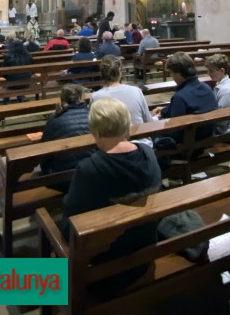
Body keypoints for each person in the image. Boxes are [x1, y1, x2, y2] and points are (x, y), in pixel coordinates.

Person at [62, 97, 161, 289]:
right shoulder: (149, 153)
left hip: (107, 262)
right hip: (146, 245)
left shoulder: (90, 168)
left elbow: (70, 222)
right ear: (127, 125)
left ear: (95, 131)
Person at [152, 52, 218, 143]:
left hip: (188, 145)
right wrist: (164, 111)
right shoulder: (207, 88)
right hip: (206, 138)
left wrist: (160, 125)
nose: (172, 77)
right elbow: (192, 105)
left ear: (178, 73)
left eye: (171, 73)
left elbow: (176, 131)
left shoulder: (180, 96)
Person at [91, 56, 153, 145]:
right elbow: (148, 122)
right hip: (141, 143)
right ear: (120, 72)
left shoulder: (96, 96)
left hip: (112, 147)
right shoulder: (136, 91)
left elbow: (95, 128)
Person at [40, 85, 92, 181]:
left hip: (62, 177)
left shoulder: (54, 118)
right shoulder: (93, 115)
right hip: (91, 172)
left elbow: (44, 149)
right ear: (81, 98)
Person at [2, 36, 33, 103]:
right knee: (18, 78)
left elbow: (4, 73)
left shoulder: (8, 56)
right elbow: (32, 70)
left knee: (12, 80)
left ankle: (5, 101)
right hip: (26, 82)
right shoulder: (28, 56)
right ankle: (20, 99)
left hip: (12, 84)